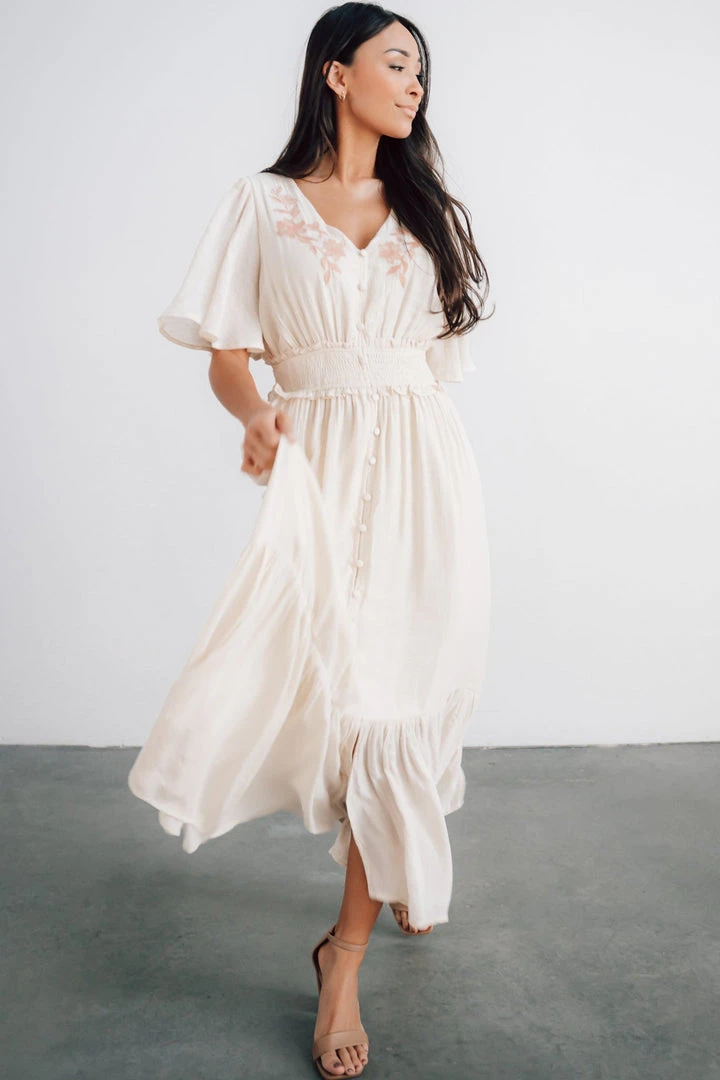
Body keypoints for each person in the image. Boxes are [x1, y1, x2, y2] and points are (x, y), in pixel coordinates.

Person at [128, 4, 493, 1077]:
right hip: (321, 469)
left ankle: (347, 949)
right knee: (347, 697)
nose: (414, 84)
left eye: (422, 71)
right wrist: (255, 416)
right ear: (336, 73)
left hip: (426, 470)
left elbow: (433, 369)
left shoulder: (430, 210)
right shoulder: (263, 204)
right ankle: (372, 896)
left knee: (408, 698)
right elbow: (227, 354)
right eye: (396, 63)